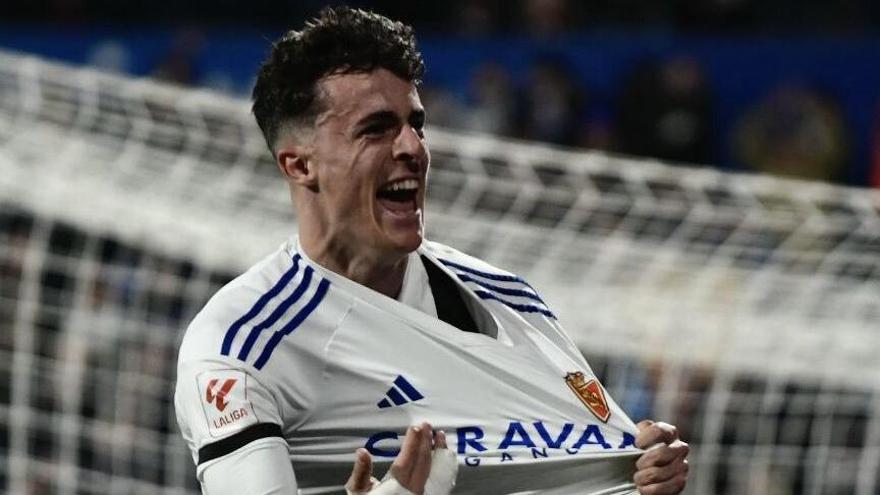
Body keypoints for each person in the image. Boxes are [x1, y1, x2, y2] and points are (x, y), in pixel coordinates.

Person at [174, 7, 689, 494]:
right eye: (376, 129)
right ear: (299, 165)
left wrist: (639, 469)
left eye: (415, 124)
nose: (413, 148)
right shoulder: (241, 347)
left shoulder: (510, 300)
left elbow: (578, 458)